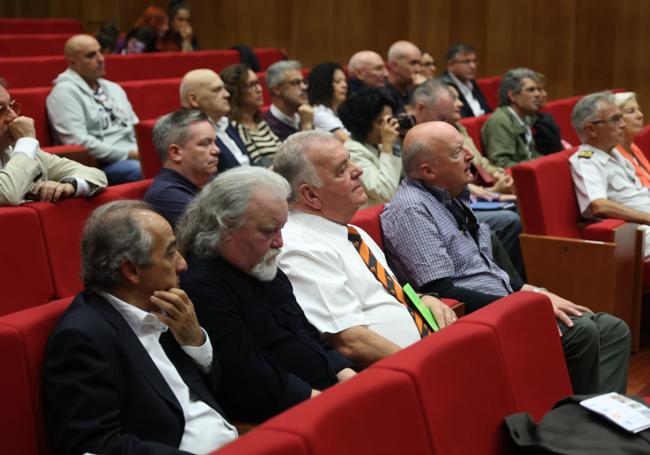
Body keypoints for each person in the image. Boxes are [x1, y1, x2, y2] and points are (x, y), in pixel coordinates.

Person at [380, 121, 630, 395]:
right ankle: (576, 422)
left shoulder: (449, 196)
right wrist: (526, 307)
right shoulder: (411, 211)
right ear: (429, 171)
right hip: (480, 320)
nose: (469, 155)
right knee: (582, 332)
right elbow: (439, 290)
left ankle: (598, 417)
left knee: (613, 330)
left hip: (504, 301)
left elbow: (487, 263)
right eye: (456, 153)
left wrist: (536, 293)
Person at [43, 200, 237, 454]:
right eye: (170, 253)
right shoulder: (83, 338)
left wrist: (195, 342)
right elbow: (93, 445)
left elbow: (206, 394)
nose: (182, 264)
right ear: (132, 270)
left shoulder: (162, 304)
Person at [177, 167, 356, 422]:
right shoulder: (201, 286)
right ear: (225, 227)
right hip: (289, 417)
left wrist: (350, 379)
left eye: (282, 228)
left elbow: (307, 333)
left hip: (327, 395)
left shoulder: (262, 262)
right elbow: (250, 377)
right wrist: (334, 403)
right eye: (268, 230)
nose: (280, 242)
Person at [274, 131, 457, 369]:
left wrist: (423, 301)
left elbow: (385, 294)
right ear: (310, 194)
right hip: (396, 375)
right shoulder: (299, 247)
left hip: (424, 352)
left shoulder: (350, 231)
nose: (358, 169)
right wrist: (422, 368)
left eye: (350, 160)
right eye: (342, 170)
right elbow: (350, 341)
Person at [409, 80, 524, 278]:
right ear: (420, 109)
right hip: (454, 202)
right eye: (443, 118)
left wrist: (497, 181)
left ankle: (520, 288)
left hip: (466, 196)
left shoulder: (455, 129)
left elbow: (478, 162)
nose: (467, 155)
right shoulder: (414, 143)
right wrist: (493, 194)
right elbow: (437, 187)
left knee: (514, 212)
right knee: (503, 224)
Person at [47, 34, 142, 185]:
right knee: (141, 169)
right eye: (91, 56)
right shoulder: (63, 94)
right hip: (100, 164)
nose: (101, 59)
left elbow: (135, 125)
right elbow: (78, 142)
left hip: (135, 154)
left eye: (100, 52)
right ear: (73, 63)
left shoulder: (113, 88)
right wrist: (130, 154)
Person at [0, 79, 107, 206]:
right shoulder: (25, 148)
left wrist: (70, 185)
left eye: (11, 106)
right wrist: (27, 141)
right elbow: (7, 195)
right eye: (1, 109)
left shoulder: (24, 152)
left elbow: (96, 175)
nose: (13, 117)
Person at [570, 91, 650, 258]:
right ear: (591, 129)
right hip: (637, 234)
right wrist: (648, 217)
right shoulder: (586, 161)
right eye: (615, 119)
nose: (622, 124)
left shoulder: (615, 153)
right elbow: (599, 205)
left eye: (621, 117)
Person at [145, 109, 220, 227]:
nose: (216, 150)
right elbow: (217, 237)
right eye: (205, 144)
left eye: (215, 142)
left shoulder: (209, 181)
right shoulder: (166, 196)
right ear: (176, 153)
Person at [338, 87, 402, 208]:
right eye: (380, 122)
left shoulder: (379, 145)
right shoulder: (353, 152)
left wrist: (405, 140)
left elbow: (408, 176)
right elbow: (385, 193)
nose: (388, 126)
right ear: (364, 124)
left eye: (390, 119)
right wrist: (387, 146)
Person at [180, 68, 250, 171]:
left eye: (224, 88)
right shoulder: (189, 134)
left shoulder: (224, 122)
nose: (227, 94)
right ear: (193, 99)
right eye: (217, 90)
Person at [221, 63, 281, 167]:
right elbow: (257, 166)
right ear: (237, 91)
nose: (259, 89)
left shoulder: (261, 124)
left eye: (258, 83)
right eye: (252, 85)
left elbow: (283, 153)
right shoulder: (234, 128)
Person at [481, 67, 543, 168]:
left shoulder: (526, 118)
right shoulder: (499, 121)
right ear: (513, 96)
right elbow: (501, 163)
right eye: (531, 90)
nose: (538, 94)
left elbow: (531, 154)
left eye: (538, 90)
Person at [262, 60, 314, 141]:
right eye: (296, 82)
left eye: (304, 82)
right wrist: (306, 127)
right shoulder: (266, 127)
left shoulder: (304, 115)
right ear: (277, 90)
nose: (304, 87)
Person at [438, 43, 491, 118]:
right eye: (467, 62)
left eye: (474, 61)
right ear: (451, 64)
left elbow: (486, 110)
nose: (473, 66)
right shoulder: (444, 87)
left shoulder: (472, 82)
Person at [613, 92, 650, 186]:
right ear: (615, 119)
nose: (640, 115)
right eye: (631, 111)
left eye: (639, 110)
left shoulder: (632, 147)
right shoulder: (613, 156)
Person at [307, 62, 350, 142]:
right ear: (323, 84)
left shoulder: (336, 111)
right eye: (337, 82)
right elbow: (350, 143)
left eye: (345, 81)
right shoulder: (319, 113)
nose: (345, 85)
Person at [384, 40, 424, 114]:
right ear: (394, 66)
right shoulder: (382, 95)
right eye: (413, 63)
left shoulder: (411, 90)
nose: (418, 69)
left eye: (420, 64)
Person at [532, 72, 565, 155]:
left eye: (543, 90)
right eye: (539, 90)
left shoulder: (546, 118)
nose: (544, 94)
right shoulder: (525, 124)